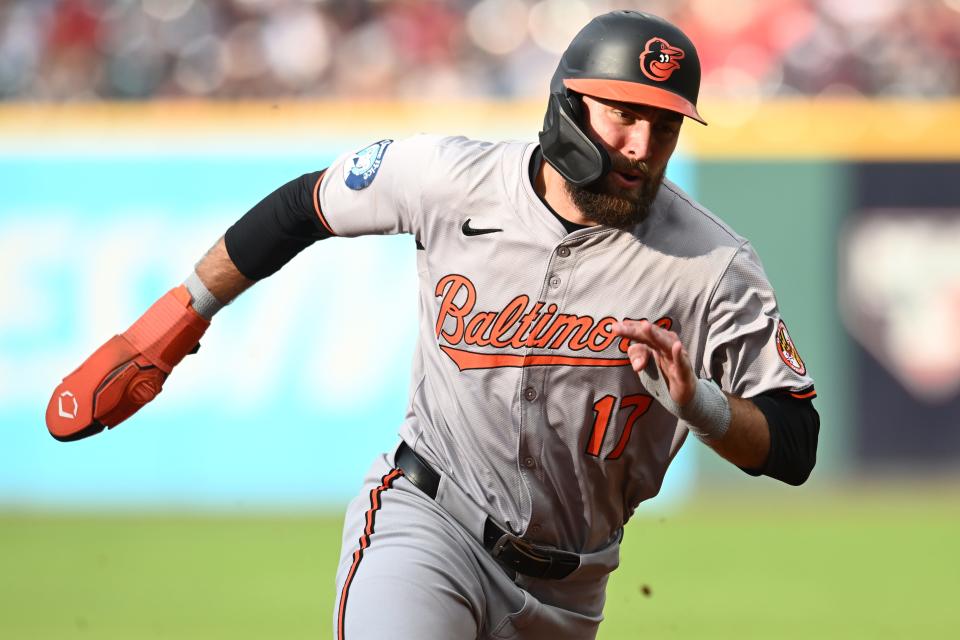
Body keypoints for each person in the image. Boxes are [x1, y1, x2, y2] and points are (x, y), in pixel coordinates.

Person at [46, 10, 819, 640]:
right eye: (624, 115)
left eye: (666, 126)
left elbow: (795, 444)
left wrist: (704, 408)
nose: (643, 147)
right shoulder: (452, 180)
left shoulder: (712, 262)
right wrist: (170, 325)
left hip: (573, 588)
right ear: (568, 103)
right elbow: (303, 206)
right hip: (428, 524)